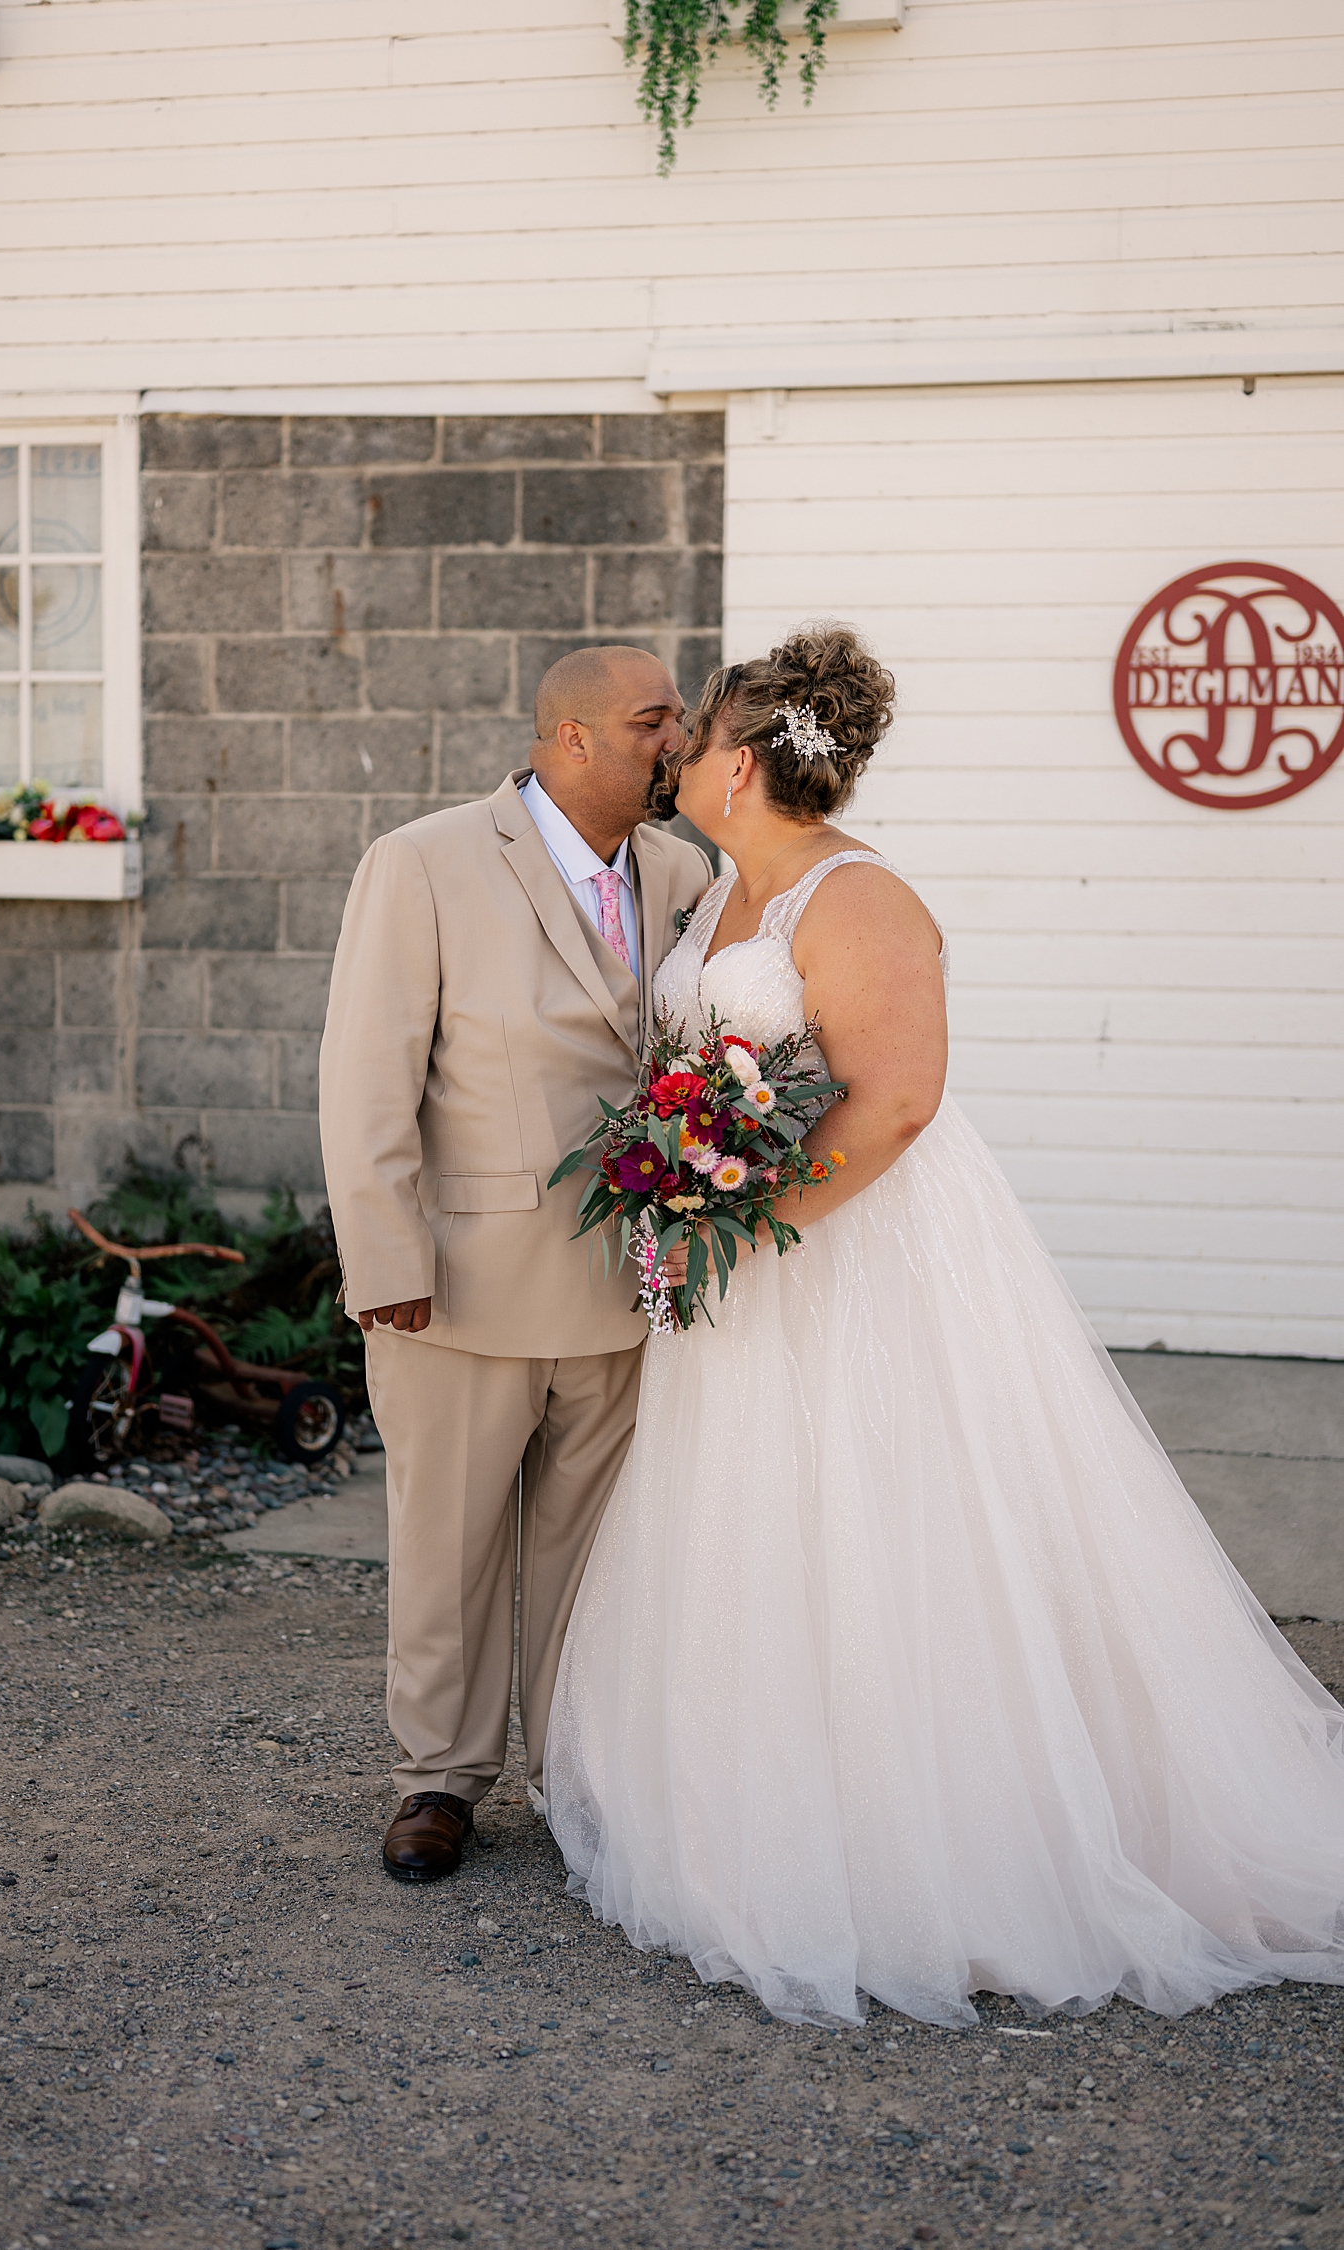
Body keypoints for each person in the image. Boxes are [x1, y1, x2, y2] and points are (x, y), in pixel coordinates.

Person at [545, 623, 1344, 2026]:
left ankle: (945, 1856)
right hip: (745, 1265)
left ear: (743, 759)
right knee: (758, 1533)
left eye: (698, 731)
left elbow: (899, 1096)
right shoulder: (723, 893)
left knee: (891, 1528)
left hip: (856, 1260)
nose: (676, 752)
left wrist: (751, 1216)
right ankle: (763, 1817)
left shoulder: (857, 900)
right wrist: (685, 1190)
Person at [319, 645, 712, 1883]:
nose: (681, 741)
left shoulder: (687, 872)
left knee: (594, 1558)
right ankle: (437, 1779)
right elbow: (365, 1076)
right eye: (657, 721)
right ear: (573, 737)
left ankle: (577, 1775)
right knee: (450, 1545)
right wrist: (384, 1252)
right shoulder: (423, 861)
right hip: (459, 1284)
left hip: (631, 1286)